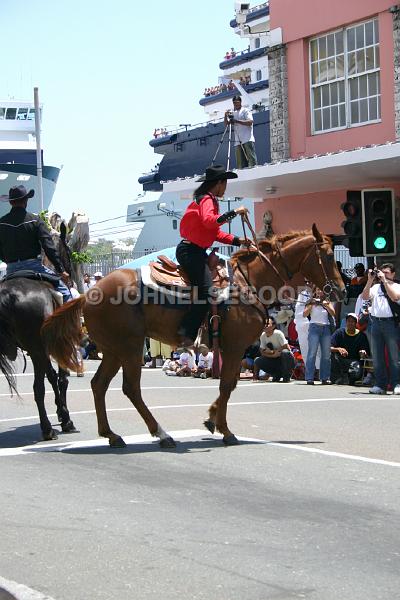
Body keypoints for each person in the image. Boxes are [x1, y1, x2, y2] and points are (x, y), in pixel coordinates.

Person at [176, 164, 249, 346]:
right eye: (225, 184)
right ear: (219, 183)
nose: (225, 188)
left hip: (197, 251)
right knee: (207, 292)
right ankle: (186, 332)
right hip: (191, 252)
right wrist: (233, 212)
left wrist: (238, 241)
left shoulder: (209, 200)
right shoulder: (207, 199)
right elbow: (210, 223)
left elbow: (214, 232)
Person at [0, 185, 70, 301]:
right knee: (66, 293)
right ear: (26, 200)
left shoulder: (1, 223)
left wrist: (8, 259)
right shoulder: (35, 220)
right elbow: (49, 247)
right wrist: (61, 270)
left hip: (11, 269)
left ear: (11, 203)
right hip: (34, 268)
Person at [361, 264, 400, 395]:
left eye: (387, 273)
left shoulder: (396, 286)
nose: (384, 274)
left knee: (394, 356)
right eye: (382, 272)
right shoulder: (376, 287)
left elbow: (395, 297)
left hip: (390, 323)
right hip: (376, 323)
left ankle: (396, 383)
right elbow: (364, 297)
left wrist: (385, 281)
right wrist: (370, 280)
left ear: (393, 274)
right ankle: (380, 384)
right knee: (377, 356)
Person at [303, 288, 336, 385]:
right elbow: (305, 314)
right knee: (312, 353)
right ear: (315, 291)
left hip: (325, 328)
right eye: (317, 290)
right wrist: (312, 304)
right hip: (314, 327)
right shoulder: (311, 301)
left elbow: (333, 313)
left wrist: (326, 305)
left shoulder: (327, 301)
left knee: (326, 354)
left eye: (321, 290)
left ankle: (325, 377)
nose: (319, 292)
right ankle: (309, 378)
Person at [330, 313, 370, 385]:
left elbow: (366, 352)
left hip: (354, 362)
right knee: (331, 356)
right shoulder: (339, 332)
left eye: (352, 321)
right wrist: (338, 349)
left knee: (356, 372)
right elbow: (329, 347)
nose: (350, 323)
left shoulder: (361, 335)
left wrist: (363, 352)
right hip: (340, 360)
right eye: (348, 321)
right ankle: (338, 377)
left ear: (356, 323)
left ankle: (347, 379)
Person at [253, 317, 295, 382]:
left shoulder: (278, 333)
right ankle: (275, 374)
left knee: (285, 353)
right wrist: (273, 354)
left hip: (286, 360)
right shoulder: (263, 335)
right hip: (274, 358)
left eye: (267, 324)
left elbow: (286, 347)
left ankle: (286, 376)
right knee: (257, 360)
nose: (265, 325)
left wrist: (274, 352)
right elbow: (262, 351)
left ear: (273, 326)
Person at [224, 95, 257, 169]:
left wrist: (237, 121)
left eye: (237, 102)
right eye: (234, 103)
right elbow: (226, 124)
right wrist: (225, 116)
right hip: (238, 142)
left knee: (252, 161)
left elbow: (250, 122)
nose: (236, 104)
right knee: (240, 164)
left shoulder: (245, 110)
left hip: (247, 139)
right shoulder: (232, 112)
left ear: (240, 102)